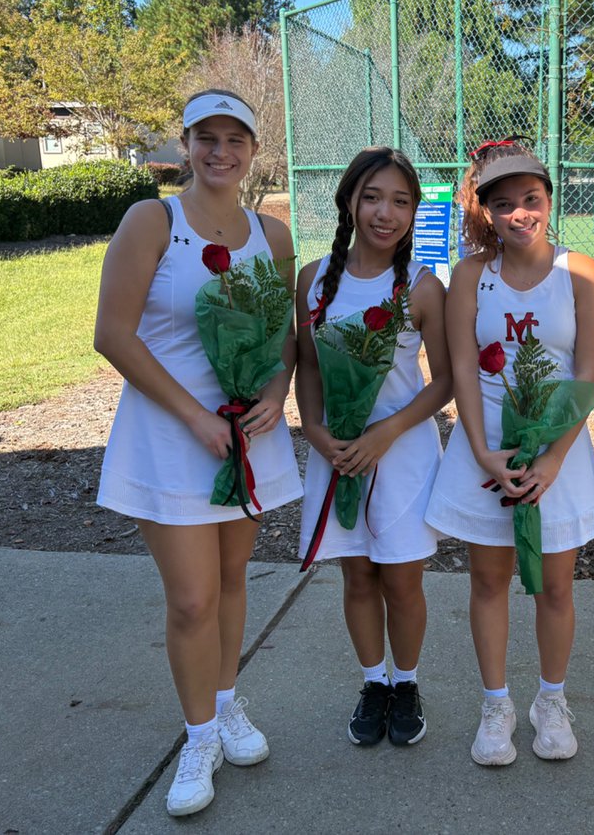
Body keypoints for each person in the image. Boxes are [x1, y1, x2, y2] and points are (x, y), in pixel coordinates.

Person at [94, 90, 302, 816]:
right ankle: (199, 736)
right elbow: (113, 335)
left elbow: (283, 334)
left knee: (232, 578)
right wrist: (194, 417)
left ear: (253, 149)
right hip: (170, 438)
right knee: (191, 598)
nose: (221, 151)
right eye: (206, 137)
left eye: (234, 138)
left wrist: (277, 390)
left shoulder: (272, 235)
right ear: (185, 144)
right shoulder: (152, 221)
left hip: (246, 436)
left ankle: (225, 702)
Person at [424, 140, 594, 766]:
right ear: (485, 211)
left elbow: (587, 373)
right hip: (488, 448)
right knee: (488, 580)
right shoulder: (470, 274)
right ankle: (496, 703)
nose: (519, 213)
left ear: (550, 200)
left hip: (559, 448)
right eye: (502, 204)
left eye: (531, 198)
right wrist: (481, 450)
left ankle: (550, 700)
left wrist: (552, 458)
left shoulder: (580, 271)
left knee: (555, 586)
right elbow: (463, 369)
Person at [295, 147, 451, 748]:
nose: (386, 213)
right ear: (349, 202)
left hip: (402, 454)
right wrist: (315, 431)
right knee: (357, 576)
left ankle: (406, 683)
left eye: (401, 201)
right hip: (337, 454)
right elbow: (309, 367)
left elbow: (444, 381)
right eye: (373, 198)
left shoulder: (422, 287)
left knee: (402, 581)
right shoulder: (313, 279)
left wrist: (388, 431)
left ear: (413, 212)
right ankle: (373, 682)